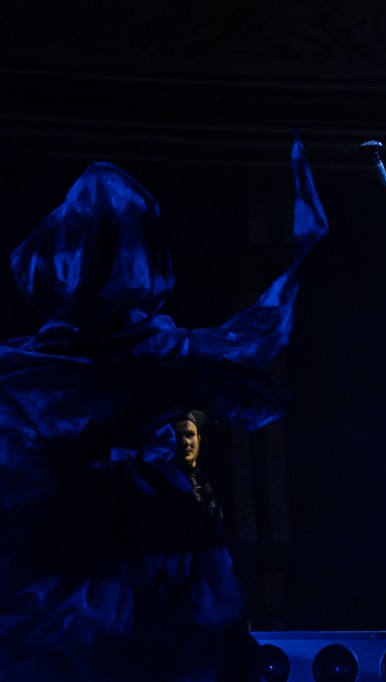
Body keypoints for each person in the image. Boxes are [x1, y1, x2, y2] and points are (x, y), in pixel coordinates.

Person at [0, 137, 327, 681]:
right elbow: (252, 367)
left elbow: (249, 375)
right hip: (128, 553)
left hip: (85, 551)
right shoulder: (150, 352)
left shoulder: (27, 363)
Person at [173, 409, 224, 522]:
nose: (185, 442)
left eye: (190, 435)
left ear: (199, 439)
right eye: (178, 436)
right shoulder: (171, 481)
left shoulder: (212, 477)